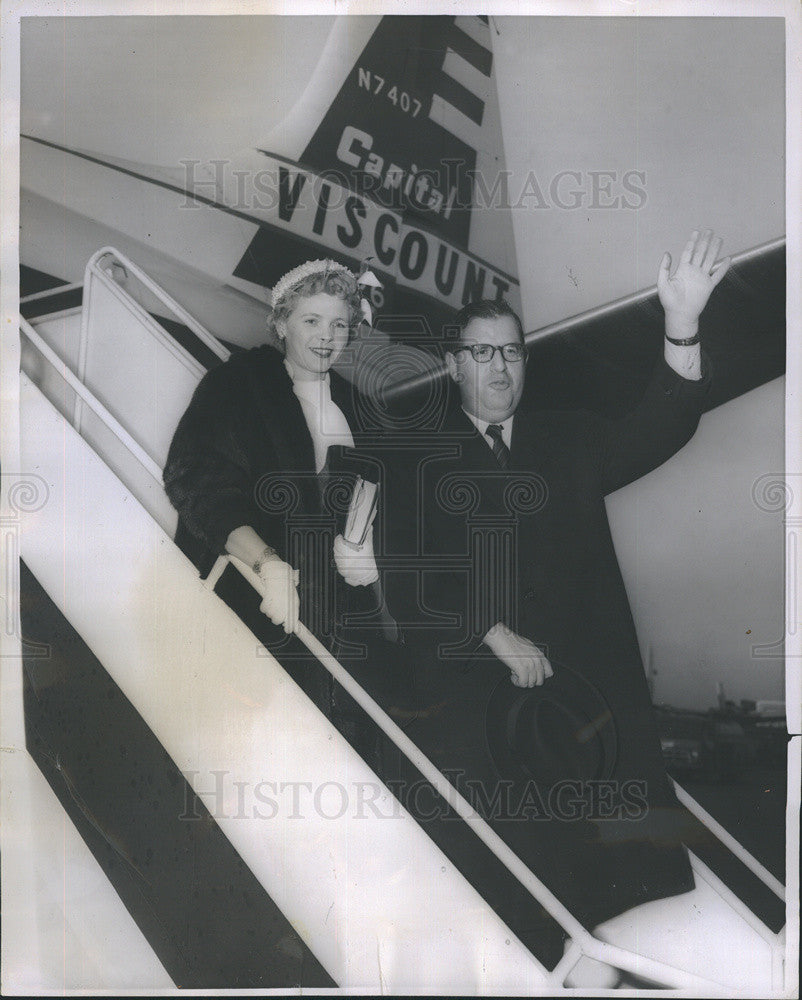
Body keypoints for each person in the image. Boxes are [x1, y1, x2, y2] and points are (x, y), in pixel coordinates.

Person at [391, 229, 744, 985]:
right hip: (493, 724)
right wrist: (495, 635)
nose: (498, 368)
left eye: (511, 352)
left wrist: (680, 325)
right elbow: (411, 572)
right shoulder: (417, 464)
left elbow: (663, 426)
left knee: (619, 904)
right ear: (454, 365)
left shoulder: (567, 443)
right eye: (481, 353)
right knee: (528, 909)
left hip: (588, 721)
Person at [163, 258, 411, 742]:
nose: (326, 336)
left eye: (340, 324)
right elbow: (197, 481)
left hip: (336, 617)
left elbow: (380, 501)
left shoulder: (356, 405)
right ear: (281, 323)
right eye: (311, 321)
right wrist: (266, 563)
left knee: (338, 750)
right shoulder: (239, 385)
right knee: (248, 747)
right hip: (257, 602)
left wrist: (372, 557)